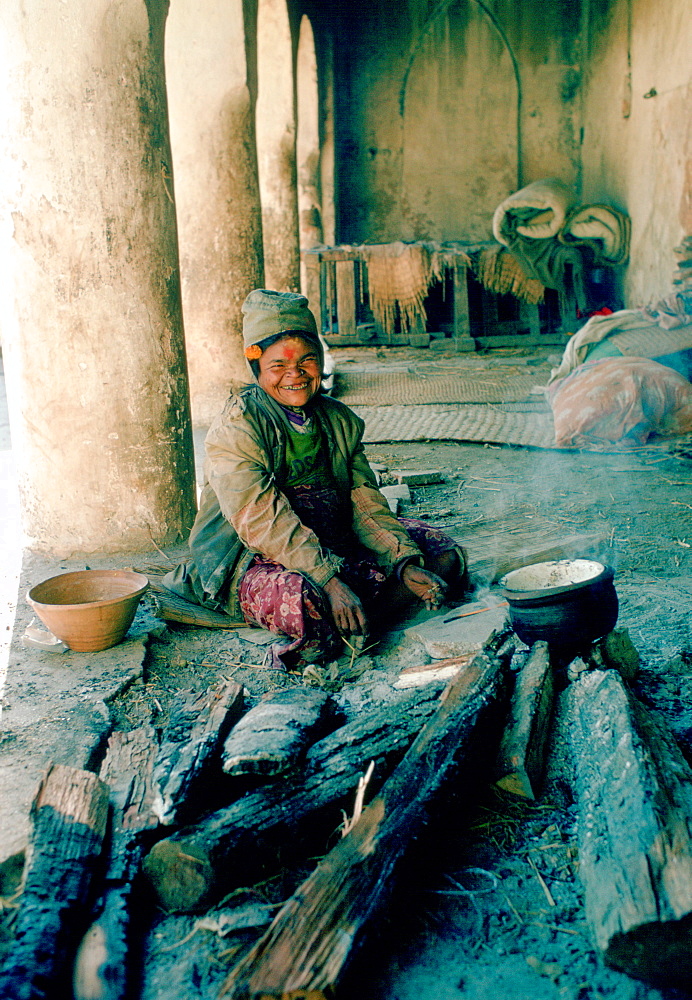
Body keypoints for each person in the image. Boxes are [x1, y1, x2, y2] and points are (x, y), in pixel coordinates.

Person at [163, 289, 467, 670]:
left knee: (441, 556)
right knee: (308, 603)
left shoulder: (338, 420)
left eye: (307, 361)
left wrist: (403, 562)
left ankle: (366, 607)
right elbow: (263, 520)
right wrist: (330, 581)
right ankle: (363, 605)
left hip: (330, 535)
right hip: (251, 554)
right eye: (278, 366)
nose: (295, 375)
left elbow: (363, 502)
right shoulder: (238, 427)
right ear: (255, 367)